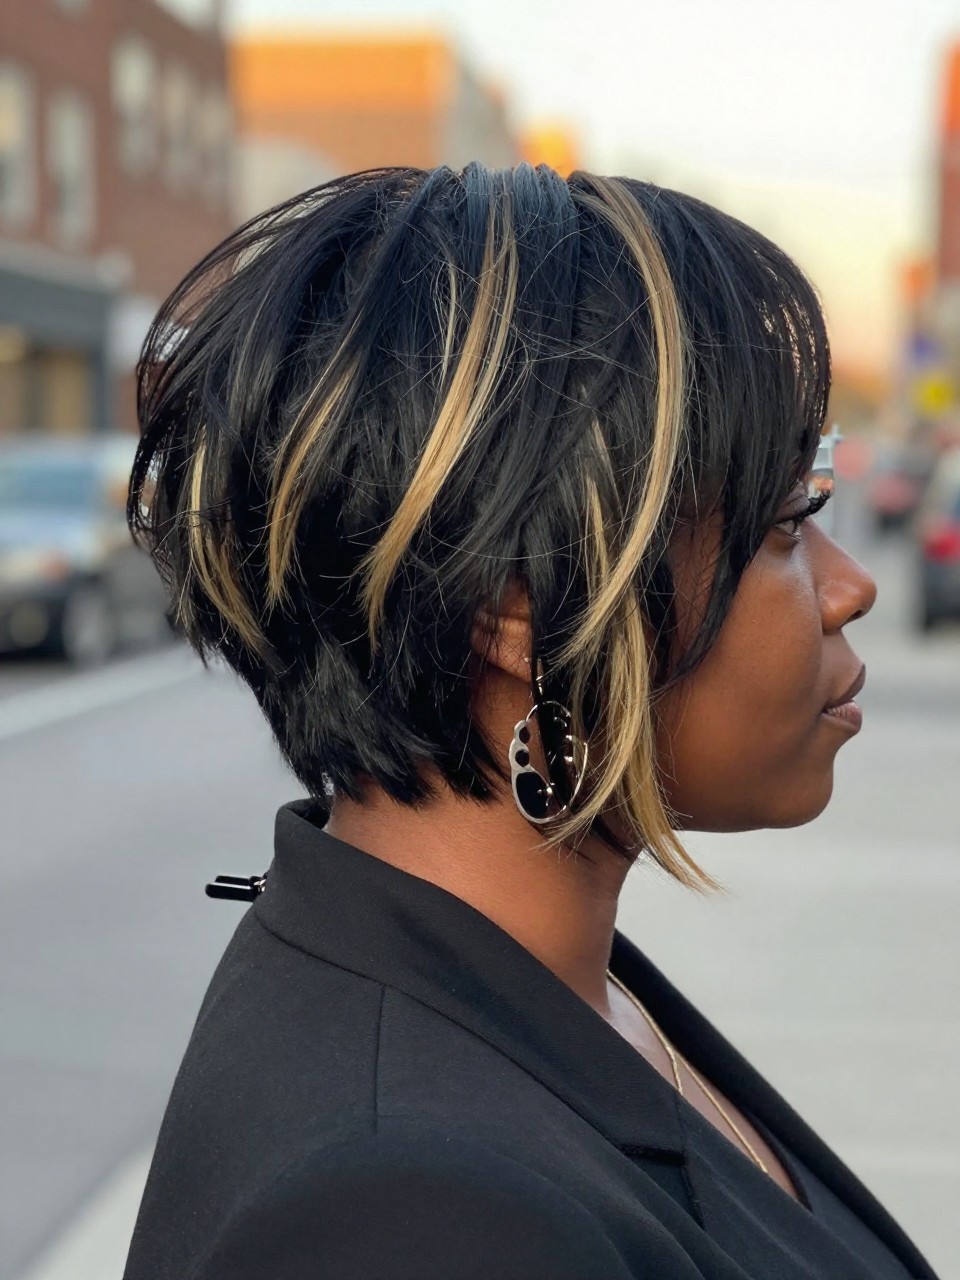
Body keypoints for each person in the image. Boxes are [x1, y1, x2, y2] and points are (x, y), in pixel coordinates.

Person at [122, 162, 937, 1279]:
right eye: (789, 521)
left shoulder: (534, 979)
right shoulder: (412, 1216)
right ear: (519, 607)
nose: (852, 587)